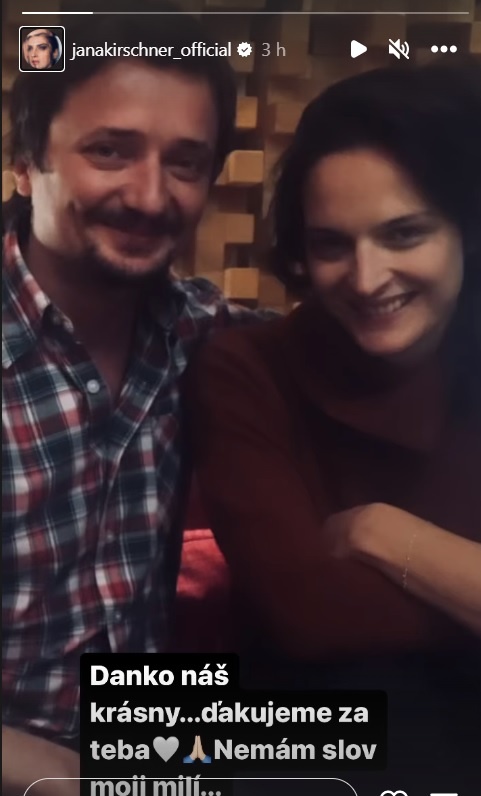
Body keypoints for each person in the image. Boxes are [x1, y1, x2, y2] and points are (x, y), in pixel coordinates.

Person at [187, 61, 481, 791]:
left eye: (404, 234)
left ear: (465, 231)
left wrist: (385, 534)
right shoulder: (248, 368)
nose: (366, 276)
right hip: (310, 739)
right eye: (331, 245)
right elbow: (308, 615)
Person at [2, 9, 272, 795]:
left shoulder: (202, 332)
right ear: (25, 163)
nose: (151, 197)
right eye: (110, 151)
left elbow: (354, 332)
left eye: (185, 163)